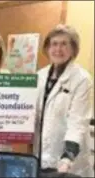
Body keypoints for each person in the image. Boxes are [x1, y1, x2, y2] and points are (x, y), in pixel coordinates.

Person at [34, 24, 94, 177]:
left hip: (68, 163)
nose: (58, 49)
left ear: (73, 49)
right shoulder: (40, 76)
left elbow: (78, 122)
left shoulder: (82, 79)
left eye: (64, 44)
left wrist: (68, 156)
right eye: (54, 44)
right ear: (47, 48)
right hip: (40, 156)